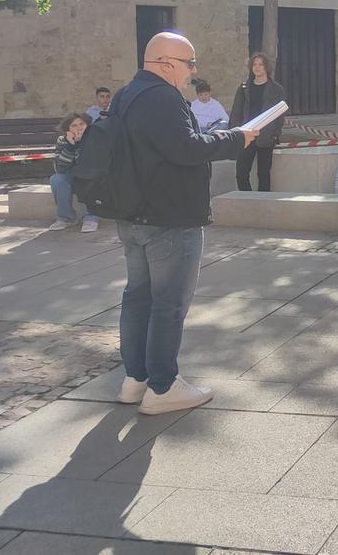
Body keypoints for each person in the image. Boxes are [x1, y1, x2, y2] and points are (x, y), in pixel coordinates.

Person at [112, 32, 255, 414]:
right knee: (168, 305)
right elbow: (187, 149)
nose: (193, 73)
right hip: (169, 217)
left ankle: (135, 379)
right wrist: (236, 138)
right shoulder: (162, 97)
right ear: (165, 63)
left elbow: (166, 146)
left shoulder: (126, 95)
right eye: (189, 64)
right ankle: (162, 387)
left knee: (137, 297)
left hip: (133, 214)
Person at [230, 53, 286, 192]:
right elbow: (236, 111)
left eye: (261, 64)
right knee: (241, 174)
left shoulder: (277, 89)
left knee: (263, 174)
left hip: (266, 136)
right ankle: (247, 201)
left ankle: (263, 204)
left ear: (266, 67)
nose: (257, 67)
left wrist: (275, 134)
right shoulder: (243, 88)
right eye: (255, 64)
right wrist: (236, 132)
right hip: (246, 135)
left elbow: (280, 115)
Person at [49, 113, 98, 232]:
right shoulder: (62, 140)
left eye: (82, 124)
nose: (79, 128)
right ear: (68, 129)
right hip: (70, 174)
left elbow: (93, 163)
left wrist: (83, 143)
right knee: (57, 179)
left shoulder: (95, 138)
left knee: (88, 177)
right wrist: (71, 146)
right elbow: (60, 168)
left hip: (90, 174)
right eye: (74, 126)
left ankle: (90, 217)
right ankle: (66, 218)